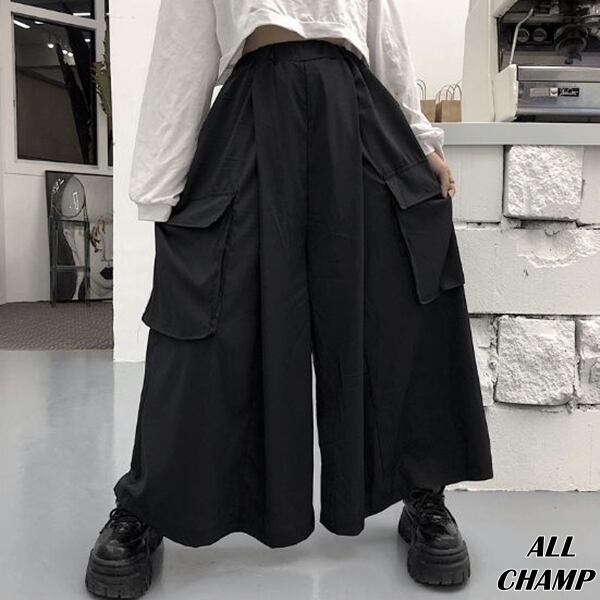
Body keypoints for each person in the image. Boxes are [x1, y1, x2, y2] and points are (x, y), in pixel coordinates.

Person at [85, 1, 494, 597]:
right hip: (254, 105)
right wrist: (160, 186)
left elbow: (382, 33)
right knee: (203, 316)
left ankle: (422, 491)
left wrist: (421, 139)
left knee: (401, 301)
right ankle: (147, 506)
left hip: (354, 108)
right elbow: (183, 46)